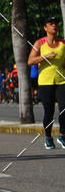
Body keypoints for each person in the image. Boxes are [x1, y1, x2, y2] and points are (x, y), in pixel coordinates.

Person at [27, 15, 65, 149]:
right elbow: (30, 61)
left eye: (55, 23)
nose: (54, 25)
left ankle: (62, 135)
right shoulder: (40, 43)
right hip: (45, 81)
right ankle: (48, 138)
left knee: (64, 108)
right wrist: (45, 56)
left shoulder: (63, 43)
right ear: (45, 28)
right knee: (49, 111)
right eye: (51, 23)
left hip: (61, 80)